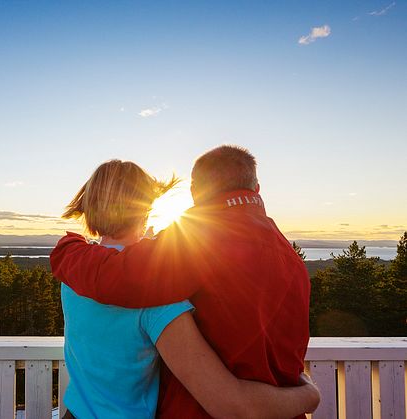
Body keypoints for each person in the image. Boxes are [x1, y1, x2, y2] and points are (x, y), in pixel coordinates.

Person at [51, 147, 312, 418]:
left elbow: (112, 275)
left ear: (195, 192)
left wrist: (67, 248)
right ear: (256, 188)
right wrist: (306, 394)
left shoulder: (73, 282)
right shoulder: (292, 261)